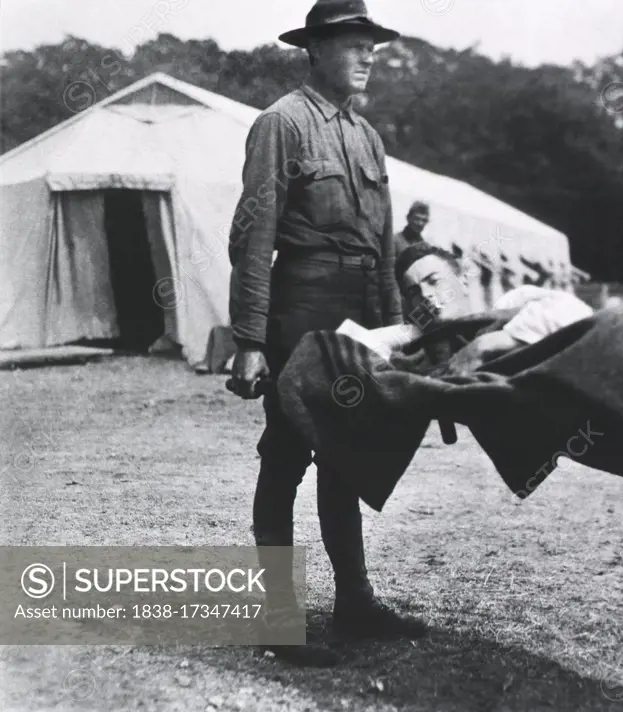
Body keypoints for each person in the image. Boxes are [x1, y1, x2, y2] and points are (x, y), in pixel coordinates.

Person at [227, 0, 425, 668]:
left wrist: (397, 327)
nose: (367, 54)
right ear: (313, 48)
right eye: (351, 42)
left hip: (362, 309)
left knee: (348, 451)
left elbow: (385, 245)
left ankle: (356, 602)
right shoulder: (280, 124)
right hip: (301, 306)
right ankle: (278, 621)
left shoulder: (368, 137)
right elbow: (253, 237)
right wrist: (250, 339)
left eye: (372, 43)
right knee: (286, 454)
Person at [345, 242, 594, 373]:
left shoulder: (514, 302)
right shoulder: (423, 347)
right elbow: (349, 343)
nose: (427, 295)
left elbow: (577, 314)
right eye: (414, 293)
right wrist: (412, 333)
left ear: (463, 280)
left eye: (434, 281)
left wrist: (483, 345)